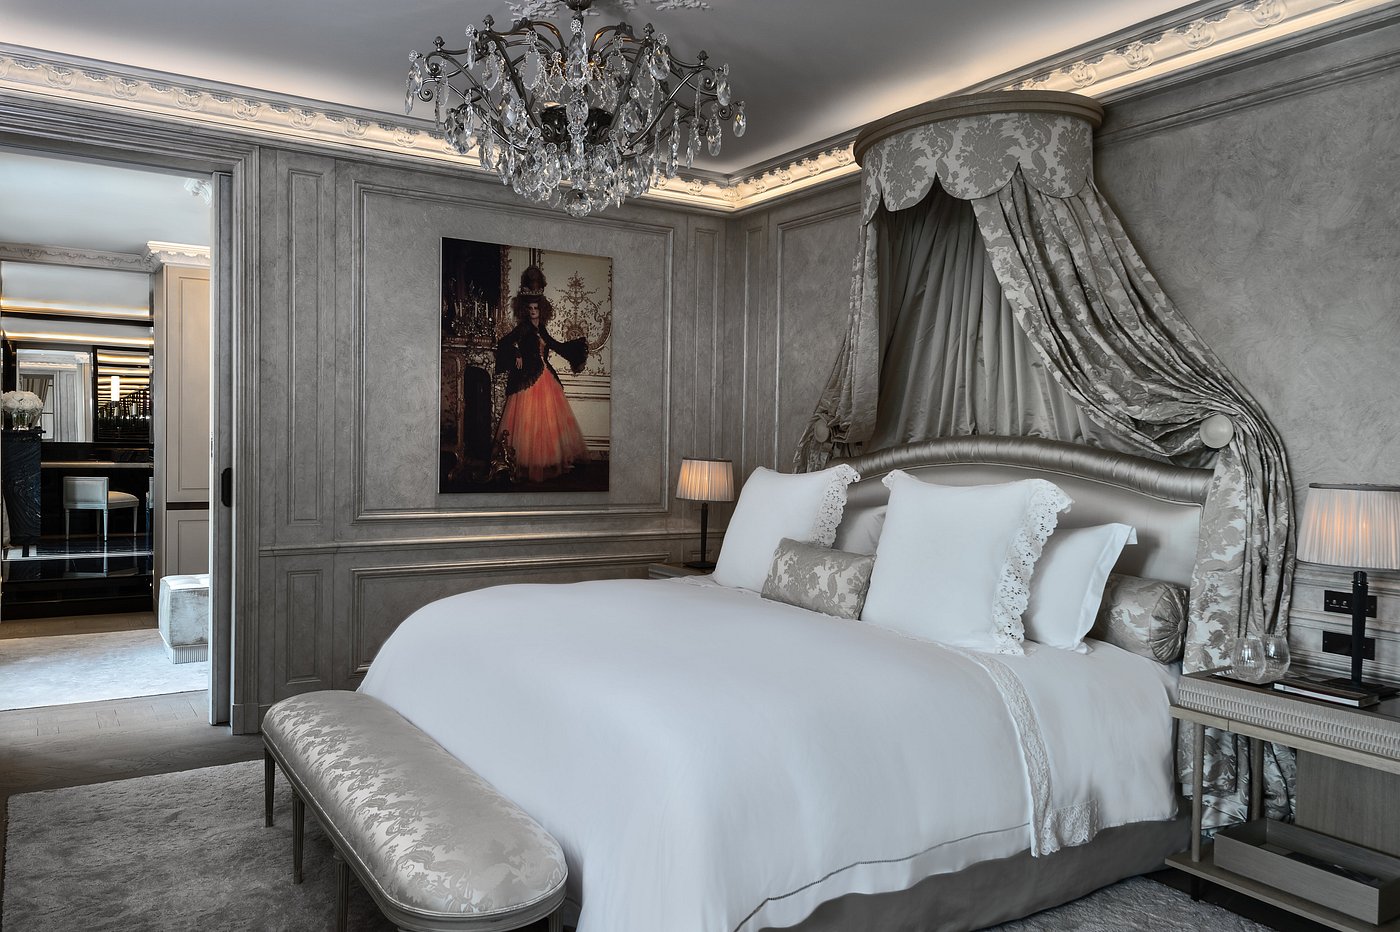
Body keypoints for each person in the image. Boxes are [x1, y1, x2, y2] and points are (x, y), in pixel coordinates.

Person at [493, 266, 589, 482]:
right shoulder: (524, 328)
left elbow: (555, 345)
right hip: (529, 378)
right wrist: (517, 352)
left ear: (542, 309)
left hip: (545, 374)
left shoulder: (542, 328)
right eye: (530, 308)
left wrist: (576, 349)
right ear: (525, 309)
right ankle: (526, 461)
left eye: (536, 307)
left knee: (549, 420)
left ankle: (551, 459)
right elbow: (504, 342)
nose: (533, 311)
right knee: (530, 420)